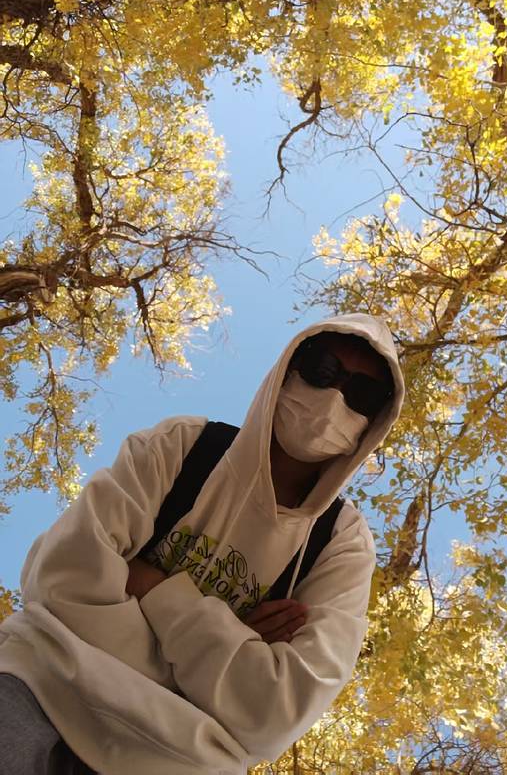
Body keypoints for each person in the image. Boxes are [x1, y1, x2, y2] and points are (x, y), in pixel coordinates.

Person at [0, 312, 404, 775]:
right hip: (41, 682)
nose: (334, 398)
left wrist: (151, 586)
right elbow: (61, 577)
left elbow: (277, 711)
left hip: (177, 760)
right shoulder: (183, 446)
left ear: (373, 423)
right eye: (323, 370)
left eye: (362, 395)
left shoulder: (341, 541)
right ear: (289, 369)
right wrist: (230, 647)